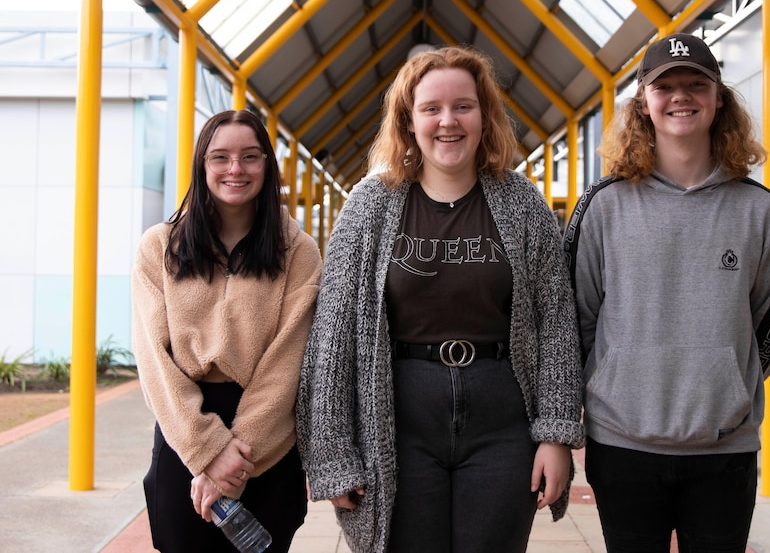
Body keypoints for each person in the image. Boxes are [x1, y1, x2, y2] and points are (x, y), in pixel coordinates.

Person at [296, 45, 585, 553]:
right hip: (398, 417)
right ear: (409, 121)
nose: (447, 122)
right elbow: (332, 333)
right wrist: (332, 451)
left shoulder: (521, 204)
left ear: (484, 116)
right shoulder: (370, 207)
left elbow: (556, 321)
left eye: (463, 106)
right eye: (431, 108)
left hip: (501, 420)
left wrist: (556, 434)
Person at [563, 33, 770, 552]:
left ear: (718, 101)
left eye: (697, 84)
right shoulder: (604, 206)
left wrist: (726, 386)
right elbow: (575, 317)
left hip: (724, 449)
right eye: (665, 85)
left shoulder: (758, 210)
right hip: (622, 445)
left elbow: (769, 321)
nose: (681, 96)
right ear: (643, 102)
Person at [131, 109, 322, 552]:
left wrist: (237, 461)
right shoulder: (159, 247)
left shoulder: (298, 251)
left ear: (267, 166)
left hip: (267, 439)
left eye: (249, 156)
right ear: (202, 166)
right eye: (220, 157)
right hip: (185, 433)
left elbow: (290, 360)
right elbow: (154, 359)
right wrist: (207, 451)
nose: (235, 169)